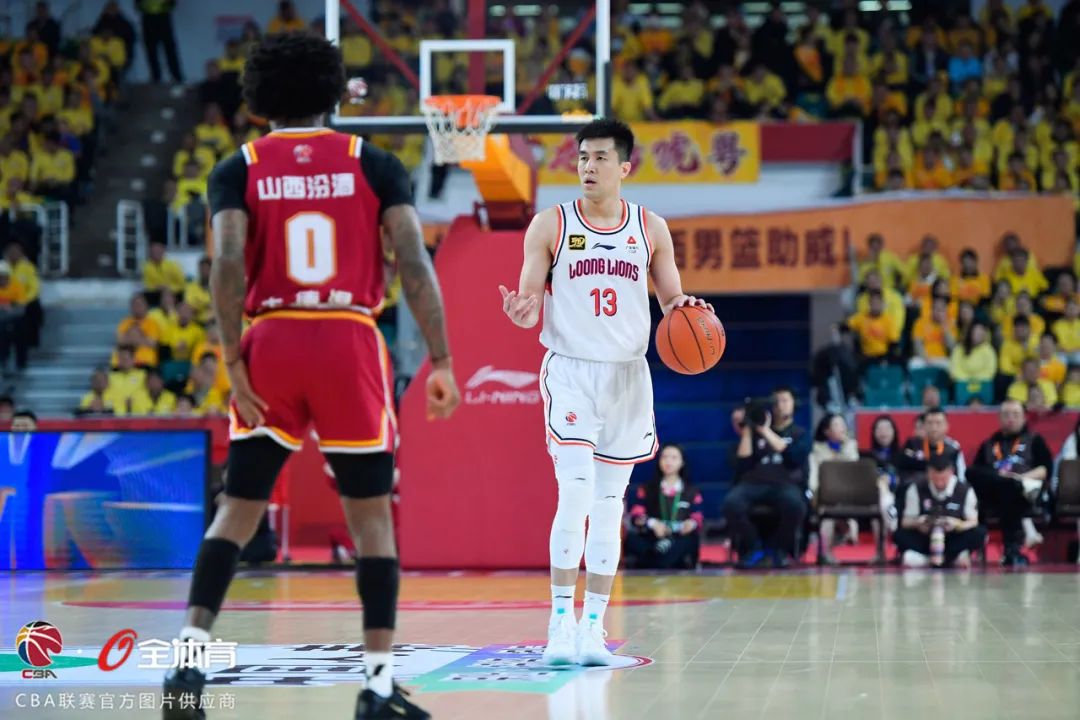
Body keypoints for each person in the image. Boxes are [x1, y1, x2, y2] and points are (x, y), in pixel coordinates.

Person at [162, 33, 460, 720]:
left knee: (238, 509)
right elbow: (413, 262)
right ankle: (377, 687)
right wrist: (441, 359)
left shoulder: (237, 167)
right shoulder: (373, 162)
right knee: (372, 520)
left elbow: (227, 262)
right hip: (347, 340)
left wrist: (232, 359)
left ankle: (187, 660)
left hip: (270, 339)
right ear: (332, 91)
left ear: (258, 97)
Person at [499, 117, 709, 666]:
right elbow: (528, 304)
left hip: (628, 376)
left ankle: (593, 627)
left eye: (599, 158)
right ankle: (559, 623)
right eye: (582, 157)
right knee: (575, 491)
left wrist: (687, 309)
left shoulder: (650, 228)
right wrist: (522, 312)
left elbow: (672, 301)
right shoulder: (550, 224)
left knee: (609, 504)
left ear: (624, 167)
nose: (588, 167)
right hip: (571, 371)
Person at [723, 387, 810, 569]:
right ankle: (753, 547)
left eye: (785, 400)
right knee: (731, 503)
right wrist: (748, 430)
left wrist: (765, 431)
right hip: (753, 483)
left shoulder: (799, 433)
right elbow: (742, 464)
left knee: (796, 505)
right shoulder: (754, 432)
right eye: (776, 401)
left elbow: (794, 458)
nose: (780, 405)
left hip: (784, 484)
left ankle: (779, 550)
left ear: (794, 404)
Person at [967, 399, 1054, 566]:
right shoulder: (989, 443)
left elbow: (1045, 469)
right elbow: (977, 472)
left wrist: (1019, 479)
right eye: (1006, 414)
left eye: (1015, 414)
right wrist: (1000, 477)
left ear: (1024, 417)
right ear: (999, 418)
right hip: (993, 492)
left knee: (1010, 488)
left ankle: (1011, 548)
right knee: (971, 472)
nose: (1010, 419)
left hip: (1025, 491)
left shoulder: (1034, 440)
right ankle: (1009, 546)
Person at [894, 454, 985, 568]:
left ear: (951, 472)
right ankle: (949, 559)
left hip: (953, 537)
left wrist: (958, 524)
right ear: (929, 473)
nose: (939, 483)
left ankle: (930, 559)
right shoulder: (916, 488)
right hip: (925, 537)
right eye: (935, 479)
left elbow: (973, 521)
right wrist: (918, 523)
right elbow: (905, 522)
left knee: (979, 533)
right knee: (899, 535)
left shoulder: (965, 490)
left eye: (943, 479)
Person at [624, 444, 704, 569]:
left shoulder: (691, 491)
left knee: (690, 541)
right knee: (632, 540)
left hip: (677, 538)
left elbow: (698, 518)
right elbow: (636, 515)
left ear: (682, 462)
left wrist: (691, 524)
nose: (668, 461)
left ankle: (656, 561)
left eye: (674, 458)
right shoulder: (647, 489)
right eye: (664, 457)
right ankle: (662, 559)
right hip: (653, 536)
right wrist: (652, 523)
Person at [808, 413, 859, 564]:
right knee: (828, 515)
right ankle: (826, 553)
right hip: (825, 496)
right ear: (826, 431)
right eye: (837, 425)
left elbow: (855, 473)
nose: (842, 428)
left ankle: (847, 531)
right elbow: (813, 479)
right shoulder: (816, 451)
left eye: (843, 424)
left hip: (849, 495)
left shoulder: (851, 447)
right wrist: (818, 494)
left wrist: (845, 447)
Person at [137, 0, 182, 84]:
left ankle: (177, 77)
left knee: (169, 49)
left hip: (163, 18)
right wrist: (146, 8)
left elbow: (172, 3)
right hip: (148, 18)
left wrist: (163, 7)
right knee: (151, 50)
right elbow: (138, 5)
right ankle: (156, 77)